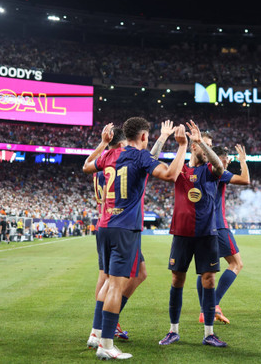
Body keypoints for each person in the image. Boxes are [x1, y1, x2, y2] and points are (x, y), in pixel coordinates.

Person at [83, 118, 188, 360]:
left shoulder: (111, 155)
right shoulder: (139, 157)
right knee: (115, 286)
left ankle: (96, 333)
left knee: (133, 274)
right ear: (143, 137)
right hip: (125, 229)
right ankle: (106, 344)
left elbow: (87, 167)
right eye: (148, 137)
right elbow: (172, 174)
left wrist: (102, 143)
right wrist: (182, 146)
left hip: (105, 225)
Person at [159, 121, 228, 348]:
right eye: (201, 145)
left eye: (209, 145)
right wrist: (167, 140)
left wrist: (202, 143)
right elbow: (151, 163)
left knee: (209, 279)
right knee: (177, 279)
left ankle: (209, 333)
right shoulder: (180, 167)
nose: (206, 148)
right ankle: (173, 330)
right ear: (192, 148)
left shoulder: (210, 171)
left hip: (207, 233)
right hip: (182, 232)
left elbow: (219, 166)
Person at [196, 144, 250, 324]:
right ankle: (214, 305)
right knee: (236, 264)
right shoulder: (217, 171)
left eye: (226, 162)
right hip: (218, 225)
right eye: (224, 161)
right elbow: (245, 180)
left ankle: (204, 311)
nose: (225, 165)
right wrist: (242, 160)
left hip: (202, 226)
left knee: (204, 270)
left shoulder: (200, 170)